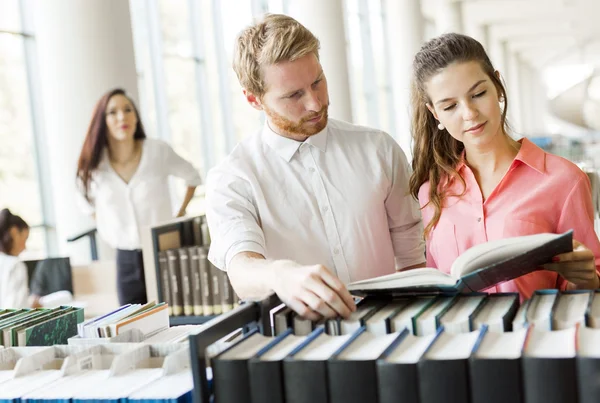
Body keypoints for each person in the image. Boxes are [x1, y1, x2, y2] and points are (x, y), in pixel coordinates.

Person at [205, 14, 425, 321]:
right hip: (300, 347)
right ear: (254, 100)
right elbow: (241, 270)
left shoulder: (379, 150)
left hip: (390, 329)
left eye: (317, 81)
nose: (315, 103)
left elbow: (413, 257)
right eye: (294, 95)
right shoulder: (233, 178)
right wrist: (280, 275)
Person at [409, 33, 600, 300]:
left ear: (498, 86)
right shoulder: (432, 192)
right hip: (457, 337)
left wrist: (587, 277)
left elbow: (591, 287)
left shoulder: (564, 180)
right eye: (450, 106)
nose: (469, 113)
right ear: (434, 113)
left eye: (477, 94)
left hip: (536, 336)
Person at [76, 88, 202, 305]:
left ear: (136, 116)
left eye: (128, 110)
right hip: (125, 259)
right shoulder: (95, 165)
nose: (122, 117)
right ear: (102, 121)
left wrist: (179, 214)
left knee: (173, 318)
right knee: (132, 327)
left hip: (163, 252)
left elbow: (192, 176)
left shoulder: (157, 151)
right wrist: (109, 225)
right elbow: (85, 202)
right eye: (112, 112)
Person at [0, 208, 40, 308]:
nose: (25, 247)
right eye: (25, 239)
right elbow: (16, 312)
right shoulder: (16, 266)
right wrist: (31, 306)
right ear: (14, 233)